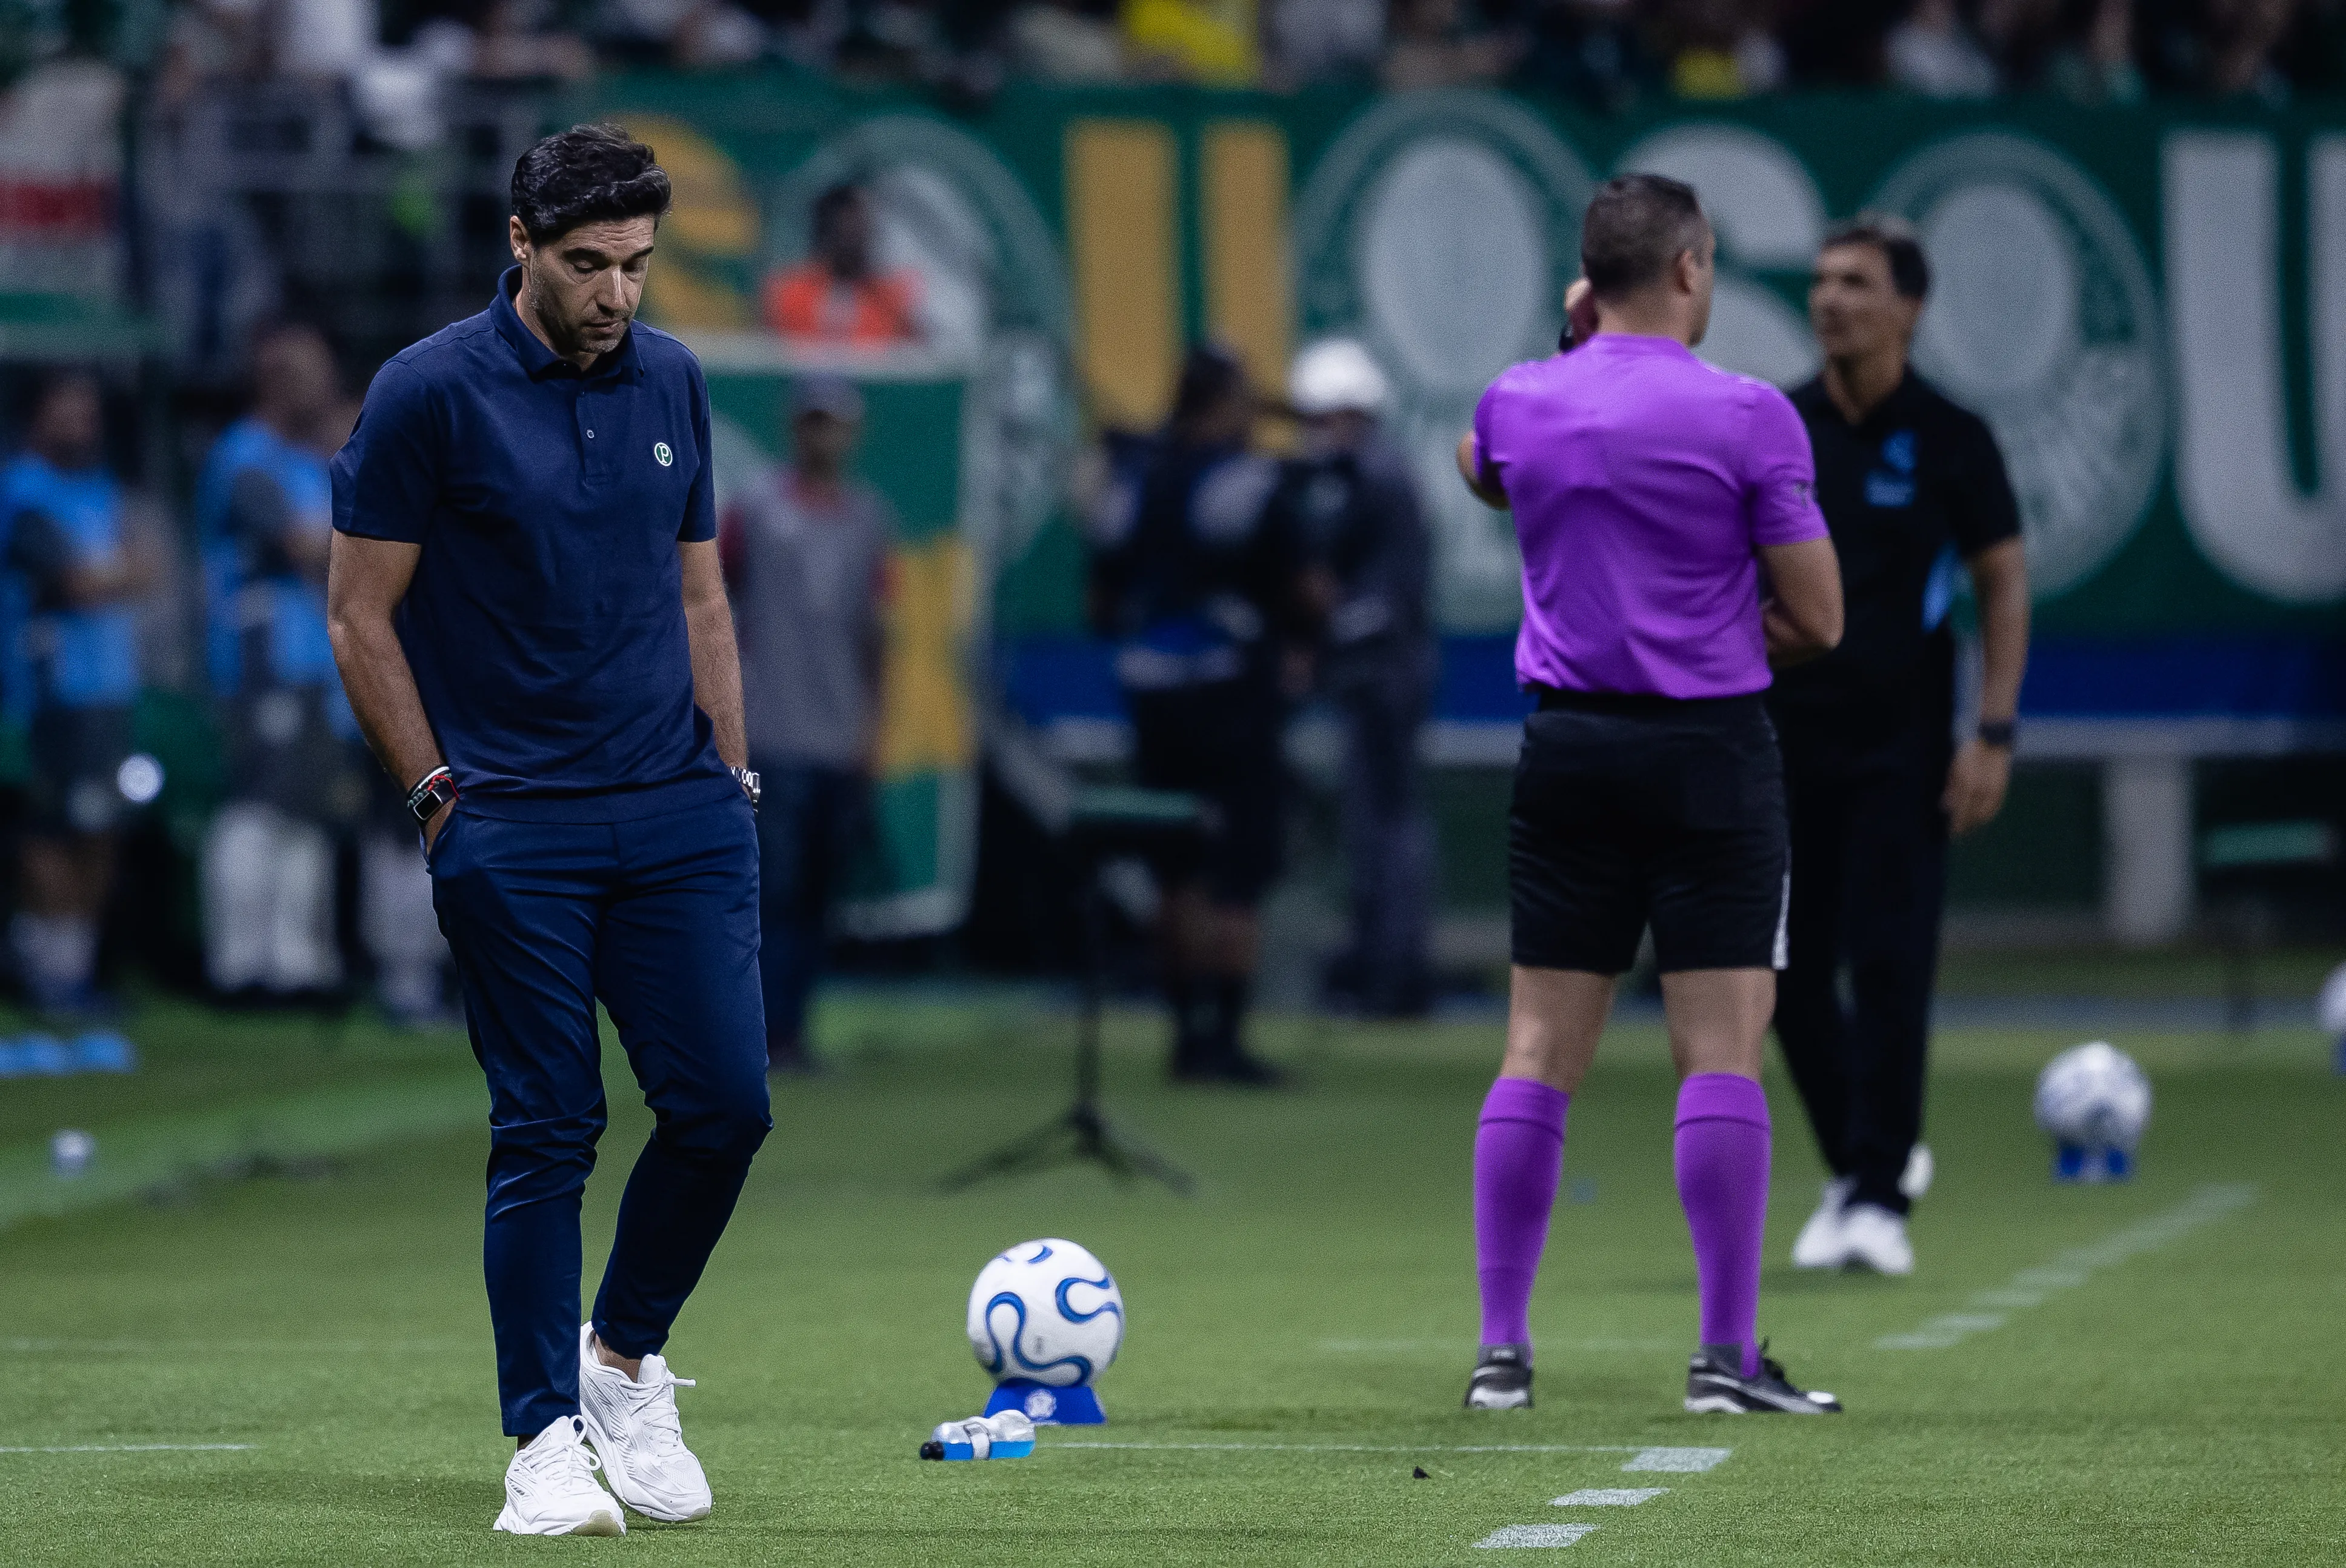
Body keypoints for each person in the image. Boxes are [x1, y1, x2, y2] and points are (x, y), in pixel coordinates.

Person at [327, 124, 768, 1536]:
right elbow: (357, 613)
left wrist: (736, 779)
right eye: (588, 264)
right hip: (510, 820)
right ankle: (543, 1437)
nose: (617, 294)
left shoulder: (676, 381)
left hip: (680, 810)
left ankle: (624, 1362)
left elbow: (702, 597)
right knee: (550, 1125)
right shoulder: (425, 395)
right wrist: (436, 796)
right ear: (519, 245)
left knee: (724, 1108)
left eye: (637, 265)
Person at [1453, 173, 1847, 1415]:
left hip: (1566, 749)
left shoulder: (1518, 401)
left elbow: (1484, 473)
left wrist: (1572, 347)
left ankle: (1501, 1354)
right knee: (1720, 1053)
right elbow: (1822, 620)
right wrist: (1714, 638)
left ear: (1587, 280)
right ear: (1687, 270)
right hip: (1710, 757)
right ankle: (1722, 1361)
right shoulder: (1751, 417)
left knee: (1535, 1050)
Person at [1771, 215, 2028, 1278]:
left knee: (1888, 966)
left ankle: (1877, 1195)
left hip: (1903, 746)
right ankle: (1859, 1164)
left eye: (1857, 282)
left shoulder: (1951, 434)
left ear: (1908, 308)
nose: (1832, 298)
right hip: (1782, 743)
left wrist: (1994, 731)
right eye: (1824, 280)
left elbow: (2001, 578)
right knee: (1777, 978)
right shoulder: (1777, 425)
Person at [1088, 344, 1303, 1086]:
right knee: (1237, 866)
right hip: (1230, 688)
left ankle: (1184, 1036)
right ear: (1221, 403)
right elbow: (1301, 587)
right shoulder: (1247, 482)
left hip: (1150, 685)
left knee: (1173, 867)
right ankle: (1226, 1039)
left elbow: (1101, 595)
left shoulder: (1131, 480)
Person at [720, 375, 891, 1075]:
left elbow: (877, 633)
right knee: (770, 892)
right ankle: (755, 1033)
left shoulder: (868, 519)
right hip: (769, 728)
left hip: (835, 730)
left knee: (817, 896)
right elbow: (710, 603)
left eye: (834, 423)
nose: (822, 435)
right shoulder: (756, 509)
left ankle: (790, 1031)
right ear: (794, 427)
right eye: (812, 421)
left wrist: (871, 728)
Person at [196, 323, 372, 1003]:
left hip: (309, 662)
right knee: (256, 806)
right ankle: (240, 965)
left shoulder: (302, 462)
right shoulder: (246, 459)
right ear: (275, 377)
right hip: (258, 656)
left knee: (304, 810)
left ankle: (296, 961)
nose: (324, 388)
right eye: (311, 373)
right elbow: (306, 545)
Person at [1275, 338, 1437, 1018]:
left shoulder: (1378, 481)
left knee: (1386, 824)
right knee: (1374, 822)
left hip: (1387, 674)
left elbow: (1388, 598)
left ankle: (1393, 969)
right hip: (1378, 671)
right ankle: (1380, 957)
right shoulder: (1363, 480)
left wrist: (1323, 641)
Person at [0, 372, 153, 1016]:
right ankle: (45, 967)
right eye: (67, 414)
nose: (81, 427)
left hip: (110, 684)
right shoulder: (23, 492)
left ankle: (75, 968)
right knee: (51, 829)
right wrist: (114, 573)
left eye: (88, 415)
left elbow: (149, 568)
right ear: (38, 420)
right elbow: (77, 582)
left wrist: (111, 574)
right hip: (52, 688)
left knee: (100, 826)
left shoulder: (98, 491)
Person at [761, 182, 924, 348]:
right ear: (825, 232)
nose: (852, 242)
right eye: (845, 230)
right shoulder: (788, 291)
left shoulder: (892, 298)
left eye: (861, 230)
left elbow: (911, 359)